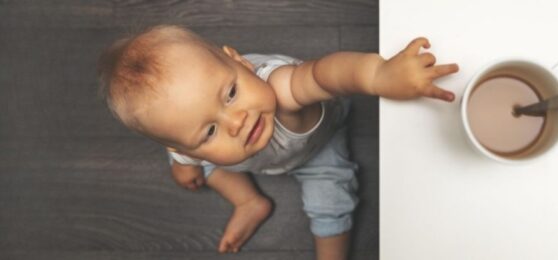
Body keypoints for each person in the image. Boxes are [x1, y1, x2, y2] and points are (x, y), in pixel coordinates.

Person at [98, 25, 458, 260]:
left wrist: (378, 75)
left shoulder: (282, 89)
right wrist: (184, 164)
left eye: (232, 93)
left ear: (239, 61)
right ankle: (249, 201)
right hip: (244, 155)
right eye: (210, 131)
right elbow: (176, 144)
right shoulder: (185, 135)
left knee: (331, 199)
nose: (237, 121)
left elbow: (325, 74)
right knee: (206, 165)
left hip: (317, 145)